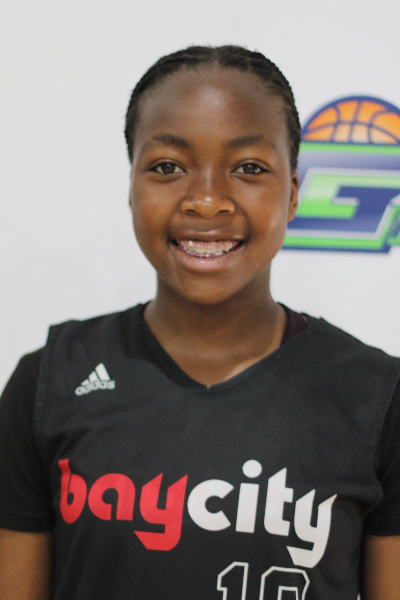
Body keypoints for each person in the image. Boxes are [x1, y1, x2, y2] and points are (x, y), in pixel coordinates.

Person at [0, 45, 399, 600]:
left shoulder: (376, 397)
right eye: (167, 167)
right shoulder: (49, 382)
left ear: (291, 195)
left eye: (249, 168)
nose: (207, 201)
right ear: (131, 187)